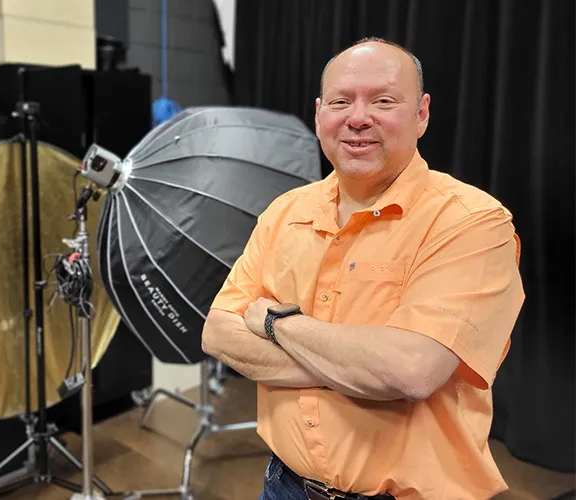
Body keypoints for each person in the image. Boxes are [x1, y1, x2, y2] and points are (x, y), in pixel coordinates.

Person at [202, 37, 525, 500]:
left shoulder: (470, 221)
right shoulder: (284, 212)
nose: (357, 118)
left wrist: (274, 322)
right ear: (319, 115)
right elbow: (217, 332)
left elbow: (411, 371)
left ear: (421, 114)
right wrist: (357, 369)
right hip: (285, 486)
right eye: (340, 101)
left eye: (383, 101)